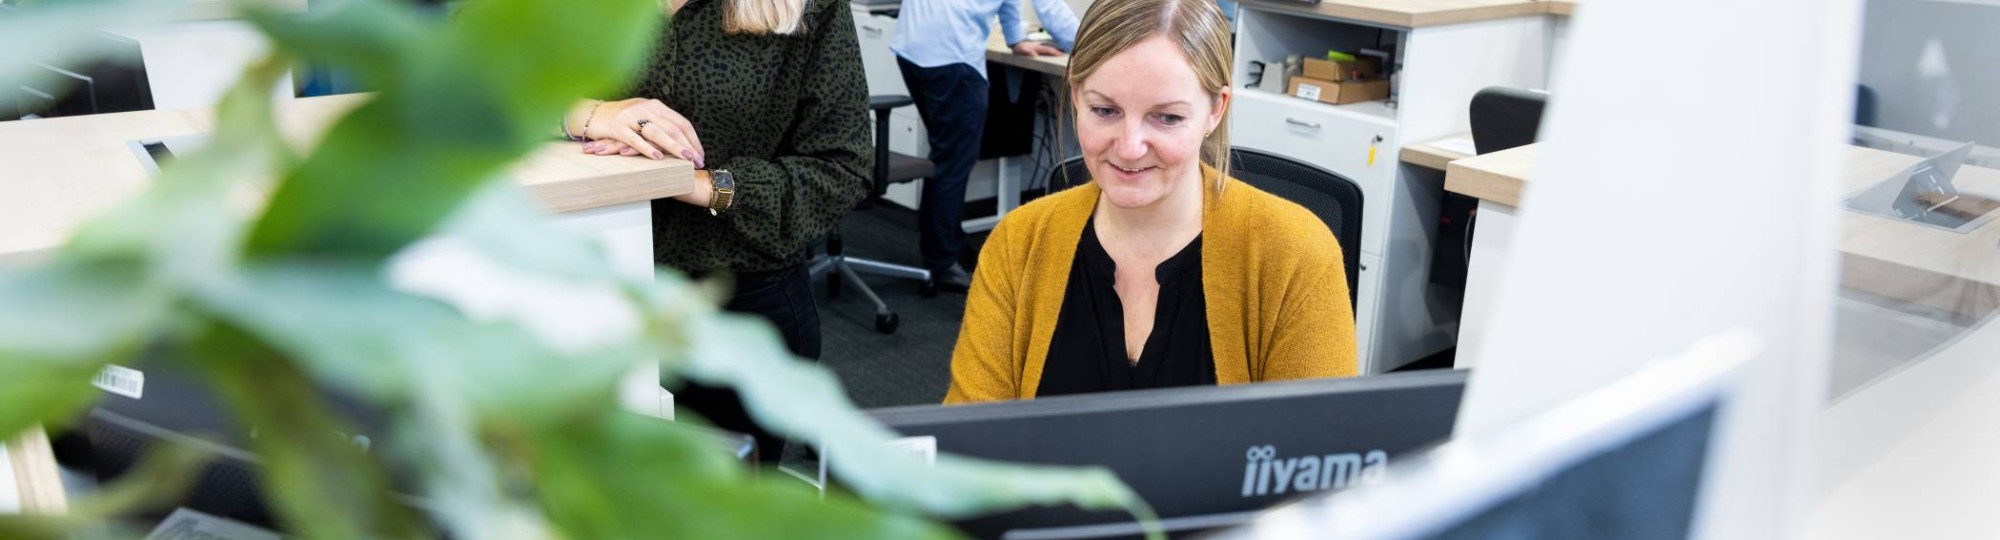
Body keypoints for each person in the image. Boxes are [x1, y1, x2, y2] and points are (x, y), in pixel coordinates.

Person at [943, 0, 1358, 403]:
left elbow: (1317, 456)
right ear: (1075, 98)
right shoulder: (1019, 244)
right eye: (1105, 110)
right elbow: (966, 452)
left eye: (1167, 117)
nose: (1129, 148)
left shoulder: (1296, 254)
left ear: (1216, 109)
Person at [559, 0, 871, 459]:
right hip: (587, 302)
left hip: (736, 309)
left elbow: (843, 166)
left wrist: (704, 184)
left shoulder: (810, 6)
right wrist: (586, 114)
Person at [890, 0, 1080, 291]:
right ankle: (941, 262)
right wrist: (1087, 46)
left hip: (911, 48)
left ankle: (949, 243)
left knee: (946, 154)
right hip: (949, 55)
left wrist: (1016, 39)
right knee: (952, 160)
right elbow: (1050, 7)